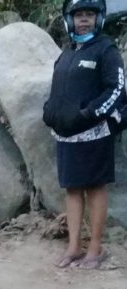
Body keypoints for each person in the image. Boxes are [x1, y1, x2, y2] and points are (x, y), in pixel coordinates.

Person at [43, 0, 126, 269]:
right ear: (70, 19)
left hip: (95, 134)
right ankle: (74, 247)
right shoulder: (67, 52)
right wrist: (50, 111)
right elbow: (58, 88)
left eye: (90, 15)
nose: (84, 20)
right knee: (73, 189)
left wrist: (89, 114)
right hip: (66, 136)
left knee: (95, 187)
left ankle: (96, 248)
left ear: (98, 18)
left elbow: (116, 90)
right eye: (79, 15)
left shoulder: (106, 49)